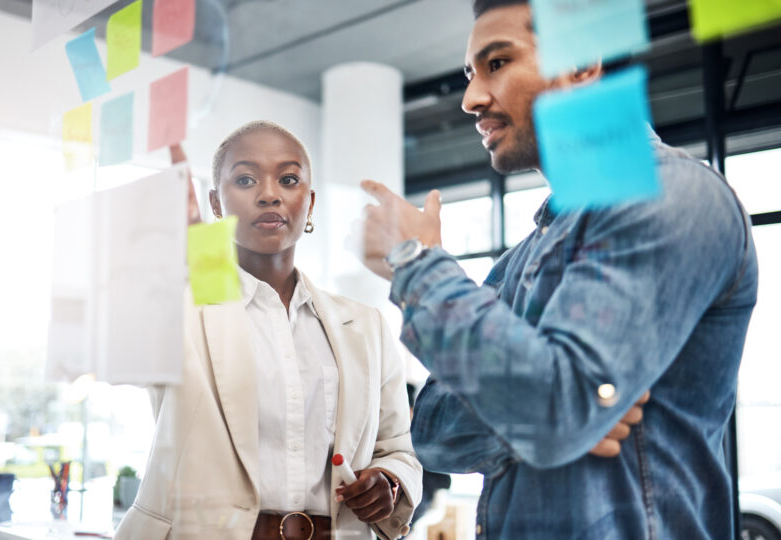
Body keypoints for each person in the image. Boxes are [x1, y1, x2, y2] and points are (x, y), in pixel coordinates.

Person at [351, 0, 759, 538]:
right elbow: (431, 431)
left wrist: (416, 262)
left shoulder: (670, 193)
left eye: (496, 63)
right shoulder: (518, 259)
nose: (473, 98)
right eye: (471, 74)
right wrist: (547, 410)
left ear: (582, 65)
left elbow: (555, 408)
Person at [115, 121, 422, 540]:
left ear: (309, 203)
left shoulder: (365, 326)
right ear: (216, 203)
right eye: (245, 179)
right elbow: (115, 356)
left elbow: (398, 447)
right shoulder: (180, 307)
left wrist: (389, 481)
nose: (269, 193)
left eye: (289, 179)